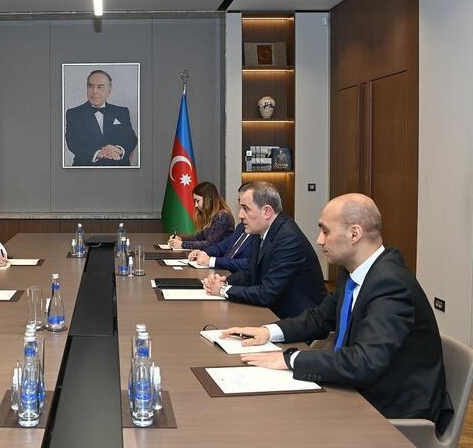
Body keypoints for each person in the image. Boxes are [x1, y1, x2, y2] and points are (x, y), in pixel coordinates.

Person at [222, 194, 453, 430]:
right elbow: (320, 318)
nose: (319, 240)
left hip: (392, 410)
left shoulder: (391, 284)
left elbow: (363, 362)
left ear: (354, 234)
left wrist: (290, 359)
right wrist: (268, 332)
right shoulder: (353, 272)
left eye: (326, 231)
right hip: (358, 389)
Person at [202, 181, 327, 319]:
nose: (240, 215)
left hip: (299, 320)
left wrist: (223, 290)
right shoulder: (261, 231)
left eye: (245, 209)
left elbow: (267, 294)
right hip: (273, 312)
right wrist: (225, 281)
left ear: (266, 212)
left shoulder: (288, 238)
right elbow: (251, 273)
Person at [64, 69, 138, 166]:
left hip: (119, 168)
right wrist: (98, 153)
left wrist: (119, 149)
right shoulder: (74, 113)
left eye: (100, 87)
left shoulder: (122, 112)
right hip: (86, 168)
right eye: (90, 86)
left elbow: (131, 138)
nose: (94, 91)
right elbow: (73, 142)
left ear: (109, 91)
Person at [168, 181, 234, 250]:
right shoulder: (209, 215)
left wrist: (183, 244)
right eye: (195, 201)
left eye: (198, 201)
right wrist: (180, 239)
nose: (195, 205)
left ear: (209, 199)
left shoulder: (222, 216)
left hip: (222, 255)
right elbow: (200, 237)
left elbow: (211, 244)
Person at [187, 221, 253, 273]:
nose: (240, 215)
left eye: (246, 209)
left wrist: (211, 261)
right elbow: (221, 246)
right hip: (221, 272)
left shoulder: (257, 233)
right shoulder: (241, 227)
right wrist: (202, 253)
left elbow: (248, 263)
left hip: (237, 278)